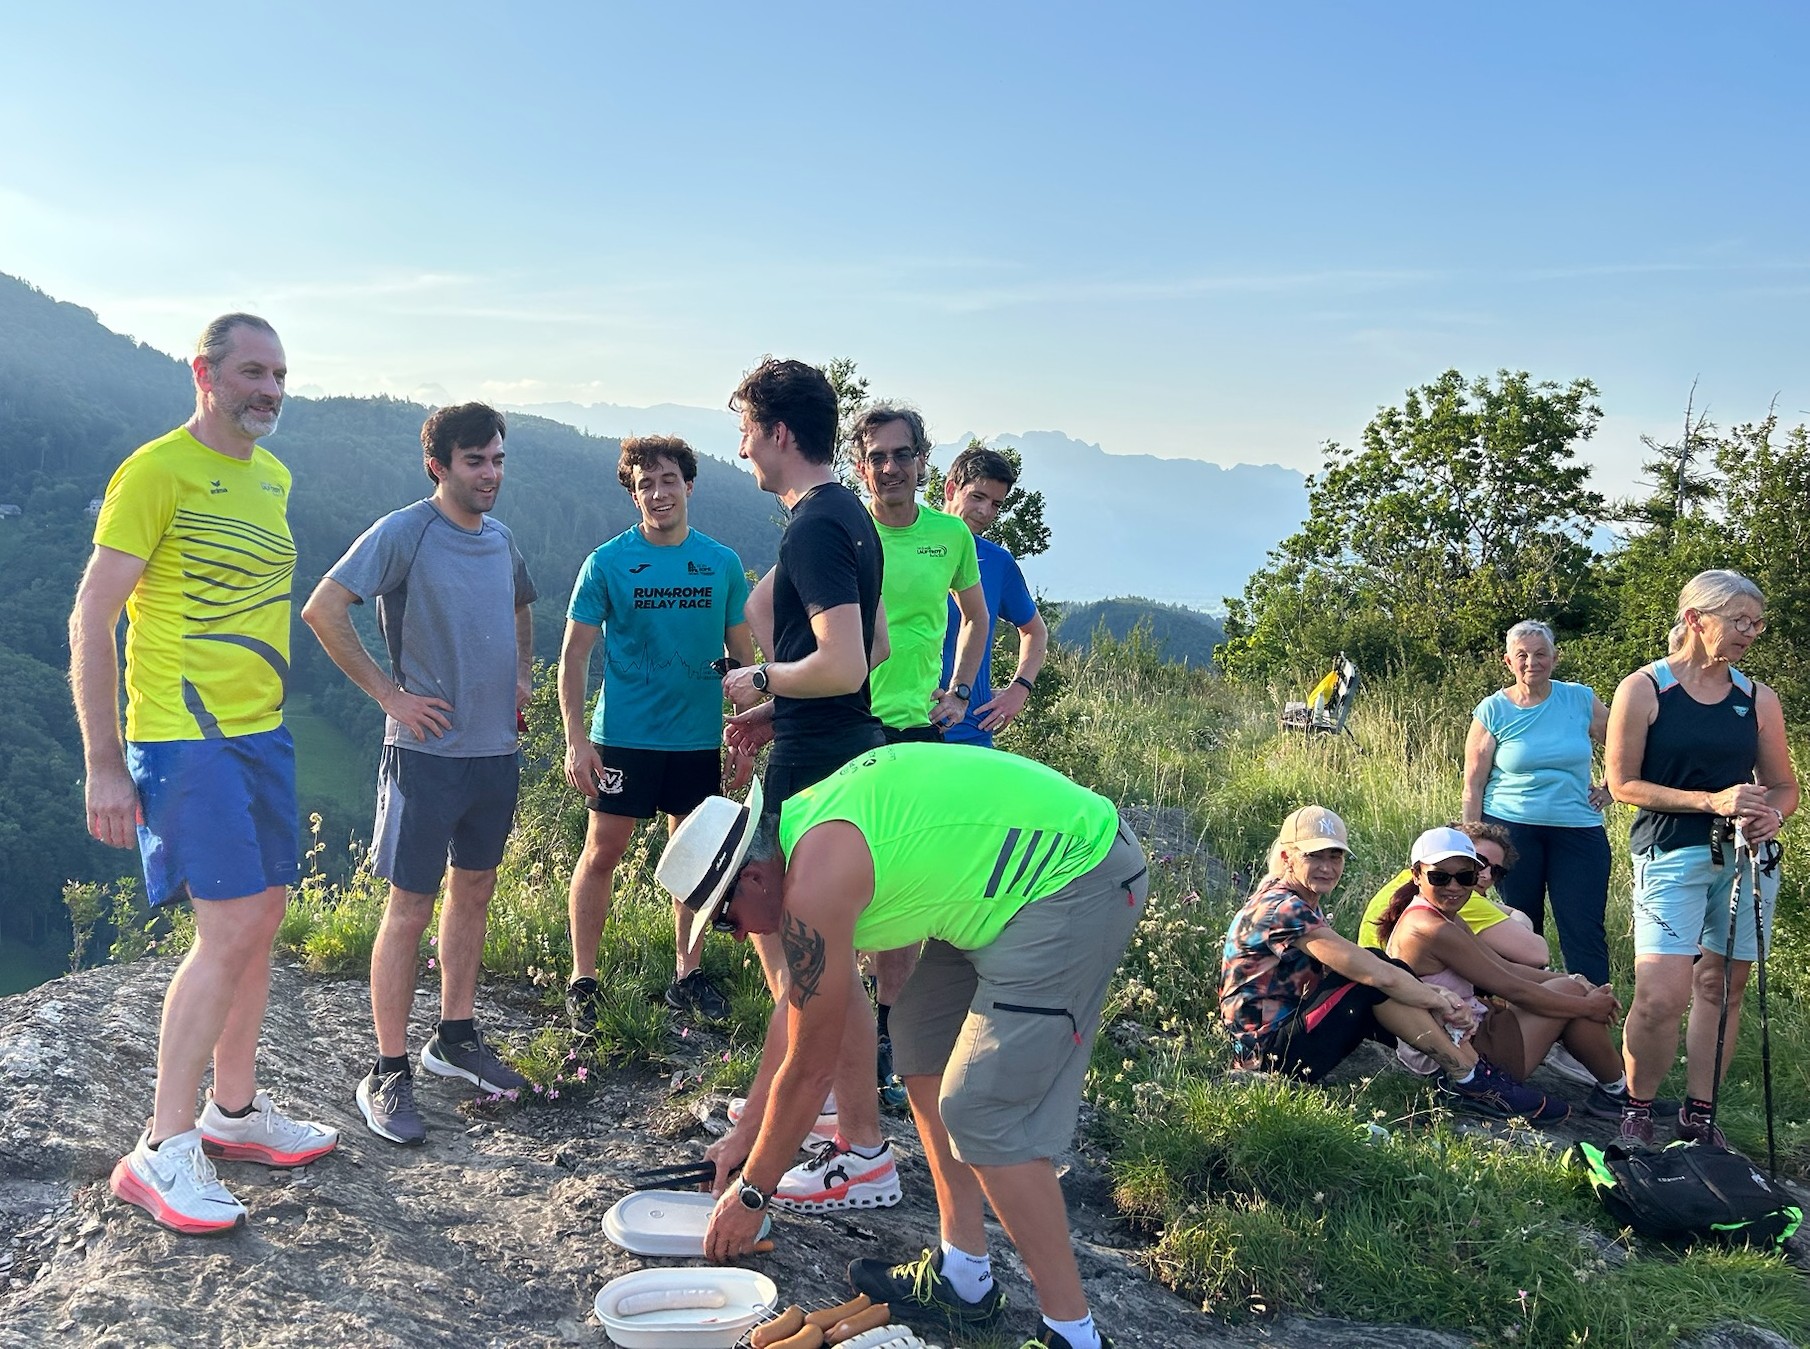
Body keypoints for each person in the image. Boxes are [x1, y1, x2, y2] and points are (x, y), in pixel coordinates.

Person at [655, 745, 1149, 1349]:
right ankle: (964, 1278)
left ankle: (1074, 1334)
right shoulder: (803, 837)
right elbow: (800, 1012)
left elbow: (812, 1070)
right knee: (917, 1034)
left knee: (981, 1107)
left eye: (726, 920)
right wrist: (749, 1133)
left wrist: (755, 1191)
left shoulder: (814, 884)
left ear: (754, 878)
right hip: (1006, 888)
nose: (737, 937)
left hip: (1077, 874)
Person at [71, 313, 337, 1234]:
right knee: (224, 932)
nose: (270, 389)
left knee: (260, 919)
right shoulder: (154, 472)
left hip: (260, 732)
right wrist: (106, 764)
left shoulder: (273, 475)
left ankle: (233, 1112)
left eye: (281, 374)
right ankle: (161, 1148)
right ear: (205, 373)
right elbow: (92, 617)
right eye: (253, 372)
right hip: (184, 737)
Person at [302, 402, 537, 1146]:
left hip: (493, 751)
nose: (491, 474)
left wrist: (524, 677)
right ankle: (389, 1065)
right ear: (438, 465)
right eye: (476, 461)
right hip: (425, 755)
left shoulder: (500, 539)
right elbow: (323, 608)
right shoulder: (407, 529)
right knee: (409, 906)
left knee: (475, 889)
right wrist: (389, 695)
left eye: (498, 459)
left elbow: (523, 603)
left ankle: (455, 1038)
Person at [711, 357, 897, 1212]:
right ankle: (846, 1127)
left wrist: (763, 685)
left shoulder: (812, 526)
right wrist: (782, 701)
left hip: (817, 769)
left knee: (807, 970)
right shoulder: (849, 516)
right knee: (831, 969)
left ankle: (857, 1145)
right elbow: (882, 649)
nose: (743, 447)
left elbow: (847, 660)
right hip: (839, 746)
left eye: (748, 430)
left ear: (780, 433)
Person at [559, 437, 757, 1032]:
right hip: (624, 736)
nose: (658, 493)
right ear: (633, 492)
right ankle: (583, 980)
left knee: (692, 859)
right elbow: (573, 657)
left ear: (689, 485)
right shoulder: (607, 562)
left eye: (668, 479)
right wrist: (576, 739)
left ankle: (686, 976)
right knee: (602, 853)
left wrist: (743, 736)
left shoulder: (720, 562)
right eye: (645, 484)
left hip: (697, 738)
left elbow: (743, 661)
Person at [1606, 570, 1798, 1147]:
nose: (1751, 633)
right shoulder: (1644, 688)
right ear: (1696, 619)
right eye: (1739, 620)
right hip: (1669, 853)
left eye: (1757, 623)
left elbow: (1784, 785)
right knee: (1661, 996)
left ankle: (1700, 1115)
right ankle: (1637, 1109)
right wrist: (1708, 801)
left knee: (1720, 987)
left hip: (1748, 861)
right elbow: (1622, 783)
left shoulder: (1758, 698)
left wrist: (1774, 816)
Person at [1218, 807, 1561, 1119]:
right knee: (1374, 975)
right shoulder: (1283, 908)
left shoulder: (1297, 900)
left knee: (1386, 974)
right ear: (1286, 857)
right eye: (1314, 856)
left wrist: (1434, 992)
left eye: (1334, 855)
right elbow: (1367, 971)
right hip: (1265, 1057)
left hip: (1284, 1036)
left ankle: (1465, 1074)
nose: (1327, 866)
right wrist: (1439, 1000)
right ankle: (1472, 1078)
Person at [851, 405, 988, 1108]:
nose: (890, 467)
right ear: (858, 466)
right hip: (845, 729)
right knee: (840, 893)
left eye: (902, 454)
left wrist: (960, 690)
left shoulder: (950, 535)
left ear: (922, 462)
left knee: (901, 897)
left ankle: (887, 1039)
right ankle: (838, 1036)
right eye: (876, 456)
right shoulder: (845, 528)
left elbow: (977, 615)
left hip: (914, 731)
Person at [1378, 827, 1633, 1122]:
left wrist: (1576, 981)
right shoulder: (1431, 928)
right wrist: (1587, 1005)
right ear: (1417, 875)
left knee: (1569, 988)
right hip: (1457, 1055)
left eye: (1465, 877)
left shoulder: (1439, 914)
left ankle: (1615, 1090)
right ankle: (1617, 1092)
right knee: (1571, 996)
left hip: (1468, 1029)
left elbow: (1507, 969)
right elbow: (1513, 988)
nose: (1454, 886)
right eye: (1440, 877)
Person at [1461, 620, 1614, 985]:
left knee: (1583, 925)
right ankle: (1527, 1013)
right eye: (1523, 656)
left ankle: (1592, 1009)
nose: (1533, 662)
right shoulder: (1493, 710)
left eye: (1541, 654)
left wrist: (1612, 787)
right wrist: (1472, 842)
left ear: (1555, 658)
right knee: (1519, 925)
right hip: (1511, 829)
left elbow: (1626, 743)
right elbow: (1473, 782)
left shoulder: (1579, 697)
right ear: (1508, 662)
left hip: (1578, 827)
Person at [938, 445, 1049, 747]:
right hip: (900, 726)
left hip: (970, 731)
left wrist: (1019, 690)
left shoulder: (996, 562)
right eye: (977, 497)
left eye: (996, 504)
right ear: (951, 489)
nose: (986, 511)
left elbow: (1035, 631)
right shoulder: (908, 547)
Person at [1355, 820, 1548, 968]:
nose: (1486, 875)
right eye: (1478, 861)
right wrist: (1521, 922)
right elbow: (1536, 954)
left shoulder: (1408, 882)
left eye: (1497, 871)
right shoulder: (1455, 894)